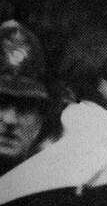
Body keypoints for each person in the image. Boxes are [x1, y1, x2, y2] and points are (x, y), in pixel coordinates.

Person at [0, 20, 61, 175]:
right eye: (1, 104)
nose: (10, 120)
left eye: (25, 107)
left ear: (40, 121)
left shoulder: (49, 189)